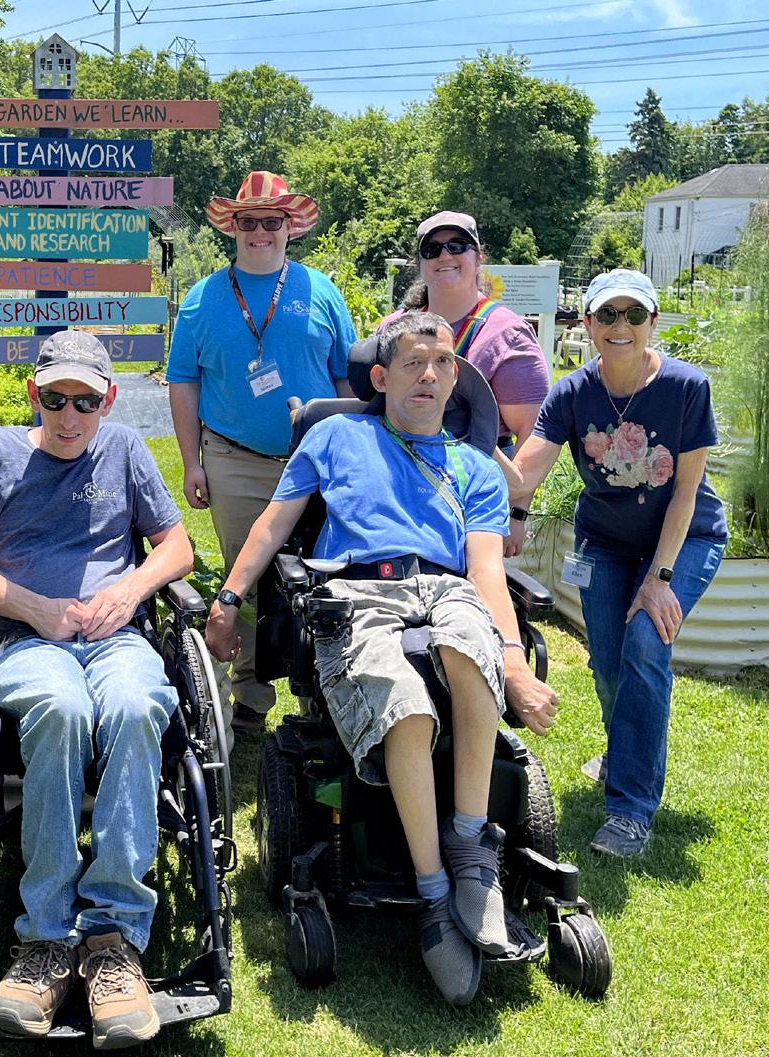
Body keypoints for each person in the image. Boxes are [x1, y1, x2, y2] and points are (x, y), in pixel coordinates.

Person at [204, 312, 560, 1005]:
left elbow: (487, 574)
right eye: (412, 363)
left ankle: (471, 852)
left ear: (456, 376)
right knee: (404, 704)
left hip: (447, 587)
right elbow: (273, 525)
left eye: (442, 362)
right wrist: (227, 598)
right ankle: (434, 893)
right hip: (358, 589)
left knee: (470, 643)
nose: (429, 374)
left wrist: (514, 659)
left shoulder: (473, 467)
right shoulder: (335, 436)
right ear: (381, 376)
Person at [0, 331, 193, 1049]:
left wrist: (131, 589)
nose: (70, 415)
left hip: (115, 638)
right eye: (56, 399)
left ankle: (112, 938)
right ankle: (47, 938)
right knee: (62, 706)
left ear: (108, 400)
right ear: (34, 394)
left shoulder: (126, 449)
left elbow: (178, 547)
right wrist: (35, 609)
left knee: (138, 703)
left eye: (86, 401)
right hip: (29, 641)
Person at [510, 269, 726, 858]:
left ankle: (630, 809)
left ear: (653, 322)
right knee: (608, 661)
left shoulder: (686, 386)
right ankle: (622, 751)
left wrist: (659, 579)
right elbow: (525, 475)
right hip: (605, 542)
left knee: (646, 645)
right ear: (588, 324)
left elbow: (686, 492)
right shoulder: (572, 393)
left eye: (633, 314)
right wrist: (474, 439)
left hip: (684, 539)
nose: (620, 325)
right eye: (607, 314)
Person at [165, 170, 357, 740]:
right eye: (249, 221)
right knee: (243, 578)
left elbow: (348, 379)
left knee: (324, 574)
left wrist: (354, 453)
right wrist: (192, 460)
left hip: (316, 462)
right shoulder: (203, 299)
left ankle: (322, 691)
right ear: (233, 228)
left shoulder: (321, 291)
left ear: (289, 227)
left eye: (272, 221)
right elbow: (183, 381)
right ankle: (250, 696)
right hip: (235, 458)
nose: (260, 232)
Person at [379, 211, 551, 554]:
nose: (445, 256)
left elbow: (531, 434)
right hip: (397, 481)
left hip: (474, 493)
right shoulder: (393, 328)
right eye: (432, 250)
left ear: (479, 257)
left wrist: (516, 513)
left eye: (457, 246)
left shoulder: (506, 334)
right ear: (419, 263)